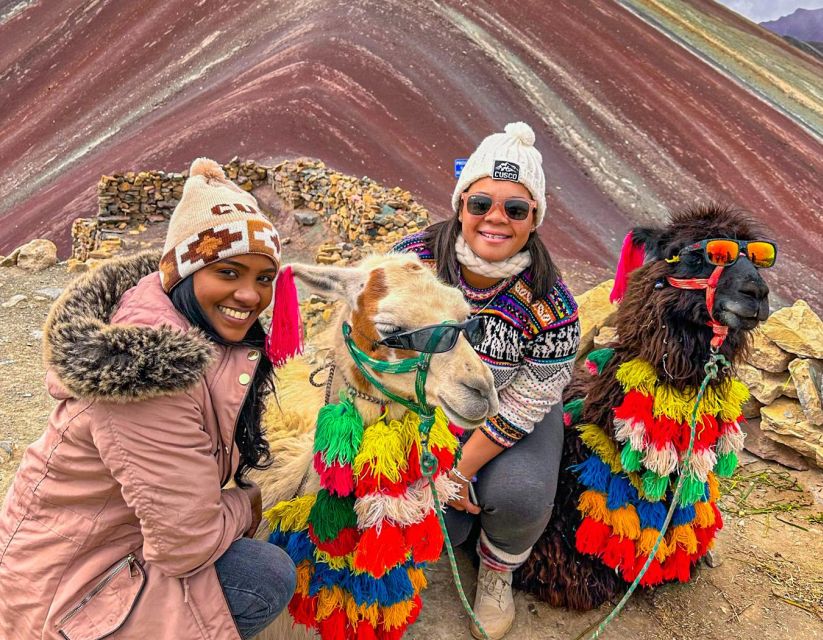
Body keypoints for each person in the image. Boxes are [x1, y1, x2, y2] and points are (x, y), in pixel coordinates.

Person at [0, 158, 297, 640]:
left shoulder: (191, 329)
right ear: (184, 271)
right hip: (65, 593)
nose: (250, 295)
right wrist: (246, 505)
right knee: (263, 575)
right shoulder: (147, 373)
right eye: (228, 271)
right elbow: (188, 544)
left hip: (101, 551)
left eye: (264, 278)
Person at [393, 122, 580, 639]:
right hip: (419, 406)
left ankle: (498, 570)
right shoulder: (412, 261)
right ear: (460, 206)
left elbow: (529, 399)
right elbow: (376, 340)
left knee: (520, 494)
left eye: (515, 209)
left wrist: (457, 469)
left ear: (534, 219)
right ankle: (462, 527)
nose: (495, 219)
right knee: (439, 526)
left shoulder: (552, 302)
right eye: (481, 204)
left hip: (505, 412)